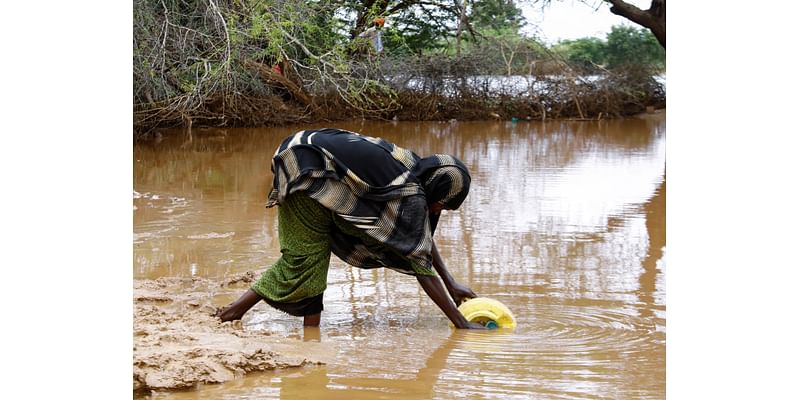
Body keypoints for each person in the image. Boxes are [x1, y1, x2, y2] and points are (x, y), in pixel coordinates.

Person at [216, 128, 485, 329]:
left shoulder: (413, 168)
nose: (438, 211)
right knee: (302, 258)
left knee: (314, 256)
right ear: (436, 187)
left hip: (303, 156)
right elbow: (419, 261)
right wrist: (461, 323)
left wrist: (451, 284)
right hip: (305, 170)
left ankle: (310, 340)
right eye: (442, 204)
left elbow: (418, 241)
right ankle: (231, 314)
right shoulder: (410, 192)